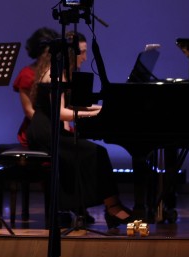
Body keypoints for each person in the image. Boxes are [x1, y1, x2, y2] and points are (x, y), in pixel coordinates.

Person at [20, 27, 132, 229]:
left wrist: (101, 108)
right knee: (97, 152)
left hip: (52, 129)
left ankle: (110, 207)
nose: (85, 57)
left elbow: (72, 106)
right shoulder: (56, 74)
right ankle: (111, 207)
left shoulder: (62, 72)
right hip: (45, 132)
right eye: (83, 52)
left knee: (96, 152)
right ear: (71, 53)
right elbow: (61, 113)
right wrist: (94, 113)